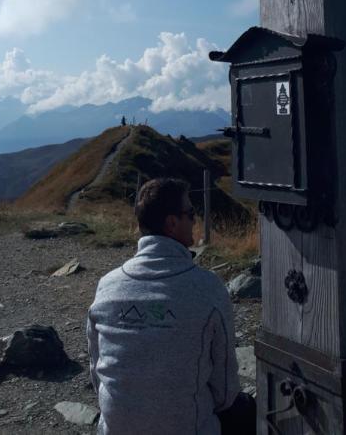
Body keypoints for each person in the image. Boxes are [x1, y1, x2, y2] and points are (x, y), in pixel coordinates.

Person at [87, 177, 256, 434]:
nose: (195, 220)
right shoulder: (207, 287)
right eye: (190, 213)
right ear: (172, 223)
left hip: (116, 428)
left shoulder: (107, 285)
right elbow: (225, 393)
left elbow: (97, 373)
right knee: (245, 410)